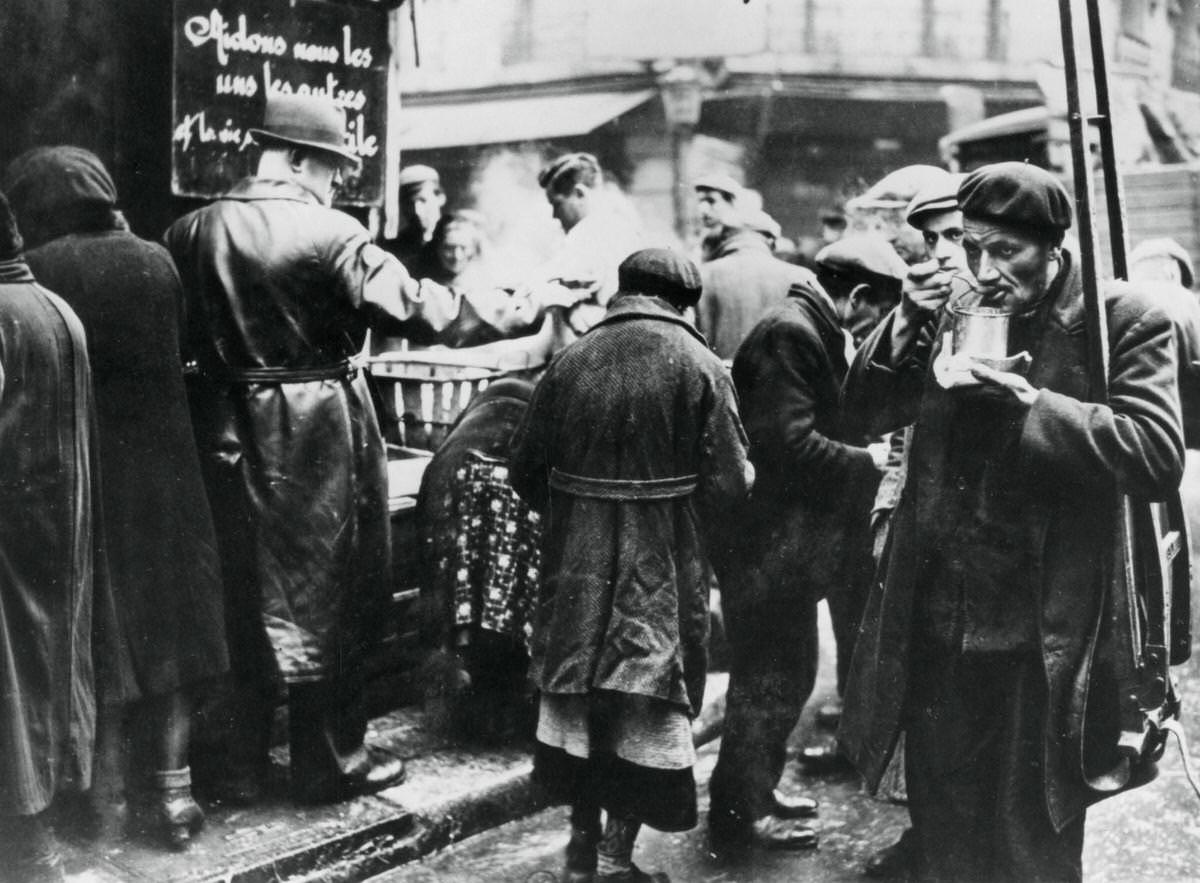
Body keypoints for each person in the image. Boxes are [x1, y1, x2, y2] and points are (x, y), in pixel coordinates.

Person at [164, 93, 562, 805]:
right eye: (328, 168)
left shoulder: (190, 231)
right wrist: (521, 303)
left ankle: (237, 768)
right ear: (294, 158)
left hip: (223, 426)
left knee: (241, 591)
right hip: (314, 429)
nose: (333, 184)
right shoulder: (330, 233)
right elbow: (419, 306)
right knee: (332, 593)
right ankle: (330, 763)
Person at [840, 162, 1184, 882]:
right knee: (943, 841)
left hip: (1041, 639)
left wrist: (1033, 407)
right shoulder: (950, 308)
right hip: (939, 627)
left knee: (1031, 849)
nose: (985, 270)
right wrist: (905, 320)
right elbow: (860, 414)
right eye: (971, 247)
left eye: (1005, 251)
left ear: (1051, 246)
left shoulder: (1121, 320)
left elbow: (1155, 453)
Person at [4, 147, 229, 851]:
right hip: (169, 474)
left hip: (92, 478)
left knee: (101, 638)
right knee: (177, 630)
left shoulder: (44, 268)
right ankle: (173, 796)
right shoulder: (157, 260)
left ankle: (96, 807)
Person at [510, 249, 753, 883]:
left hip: (577, 563)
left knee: (580, 699)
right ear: (682, 302)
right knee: (645, 701)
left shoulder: (570, 360)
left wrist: (577, 513)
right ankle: (615, 861)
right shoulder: (700, 365)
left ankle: (579, 851)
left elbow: (523, 470)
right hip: (661, 565)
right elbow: (730, 485)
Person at [707, 240, 882, 856]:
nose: (872, 325)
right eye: (874, 310)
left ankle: (756, 791)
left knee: (783, 674)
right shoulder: (794, 334)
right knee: (773, 680)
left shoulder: (800, 325)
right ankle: (740, 817)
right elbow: (788, 444)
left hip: (773, 546)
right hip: (765, 547)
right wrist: (871, 462)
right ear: (857, 296)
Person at [0, 189, 134, 882]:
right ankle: (42, 834)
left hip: (8, 527)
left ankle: (27, 847)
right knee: (49, 668)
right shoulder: (58, 310)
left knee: (11, 678)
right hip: (59, 520)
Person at [856, 173, 969, 880]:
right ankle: (928, 831)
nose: (946, 253)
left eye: (957, 235)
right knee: (916, 687)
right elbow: (872, 411)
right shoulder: (931, 311)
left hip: (989, 550)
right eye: (935, 240)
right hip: (921, 530)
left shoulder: (1026, 312)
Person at [415, 377, 540, 745]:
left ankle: (461, 702)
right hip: (522, 474)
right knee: (515, 586)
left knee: (452, 588)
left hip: (457, 468)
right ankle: (510, 708)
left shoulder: (467, 426)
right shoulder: (533, 409)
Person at [536, 152, 644, 332]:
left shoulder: (586, 236)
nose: (554, 215)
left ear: (579, 193)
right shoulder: (623, 227)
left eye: (557, 204)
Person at [695, 206, 821, 360]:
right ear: (771, 240)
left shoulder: (700, 276)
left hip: (721, 381)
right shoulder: (802, 277)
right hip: (785, 381)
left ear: (724, 237)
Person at [381, 163, 446, 273]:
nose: (417, 211)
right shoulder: (394, 249)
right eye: (409, 203)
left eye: (423, 200)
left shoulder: (456, 238)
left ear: (440, 198)